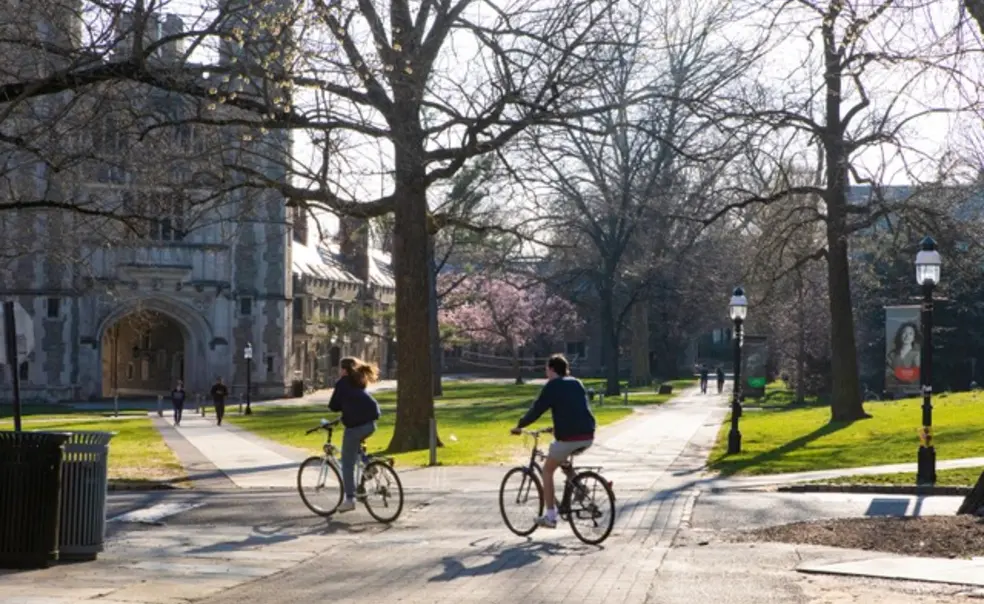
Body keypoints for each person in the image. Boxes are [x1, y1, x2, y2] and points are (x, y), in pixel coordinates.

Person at [510, 354, 596, 529]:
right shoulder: (577, 382)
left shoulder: (553, 386)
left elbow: (537, 409)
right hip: (588, 435)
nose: (546, 373)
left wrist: (520, 425)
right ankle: (579, 487)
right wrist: (556, 427)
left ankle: (550, 516)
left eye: (546, 370)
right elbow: (574, 409)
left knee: (547, 471)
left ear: (551, 369)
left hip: (569, 438)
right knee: (561, 457)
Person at [328, 356, 382, 513]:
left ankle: (349, 499)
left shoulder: (343, 383)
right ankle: (369, 465)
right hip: (371, 423)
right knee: (356, 448)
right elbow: (355, 401)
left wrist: (341, 404)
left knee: (347, 463)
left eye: (340, 369)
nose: (339, 372)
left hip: (356, 426)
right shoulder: (358, 380)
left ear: (344, 370)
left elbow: (333, 405)